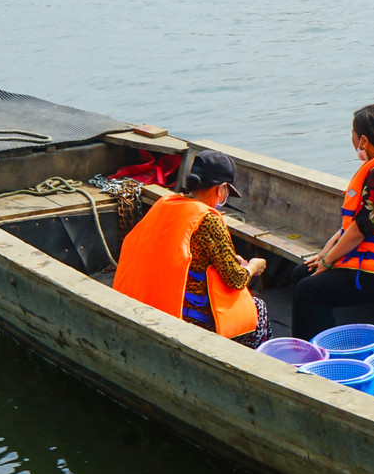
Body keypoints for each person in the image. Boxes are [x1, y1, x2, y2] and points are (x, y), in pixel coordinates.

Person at [113, 149, 271, 348]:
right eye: (227, 192)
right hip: (186, 319)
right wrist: (254, 266)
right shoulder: (209, 220)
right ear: (221, 189)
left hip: (148, 304)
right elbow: (236, 280)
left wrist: (231, 259)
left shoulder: (165, 203)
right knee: (259, 308)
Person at [290, 104, 374, 339]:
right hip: (369, 262)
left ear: (363, 140)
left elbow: (362, 228)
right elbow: (352, 224)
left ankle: (331, 358)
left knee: (308, 290)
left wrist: (329, 261)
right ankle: (302, 348)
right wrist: (326, 253)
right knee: (301, 273)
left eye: (352, 134)